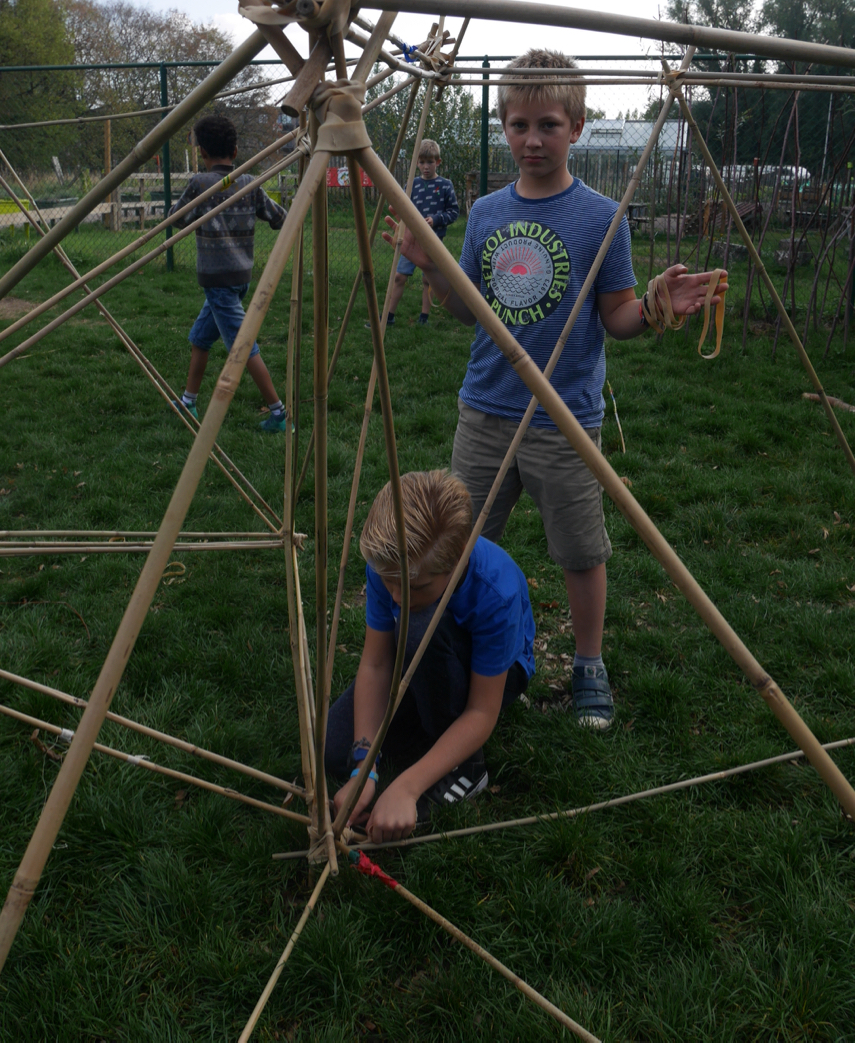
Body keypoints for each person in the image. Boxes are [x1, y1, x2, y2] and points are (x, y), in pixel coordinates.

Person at [385, 49, 727, 730]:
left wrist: (656, 307)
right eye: (519, 125)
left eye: (547, 124)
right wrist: (433, 271)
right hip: (485, 409)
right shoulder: (485, 212)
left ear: (576, 126)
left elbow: (617, 317)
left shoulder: (602, 216)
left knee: (579, 550)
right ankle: (459, 650)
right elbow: (470, 312)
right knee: (460, 544)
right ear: (504, 128)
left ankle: (588, 663)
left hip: (563, 418)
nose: (532, 139)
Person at [326, 469, 534, 844]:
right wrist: (364, 768)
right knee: (331, 746)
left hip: (494, 676)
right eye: (388, 582)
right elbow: (377, 664)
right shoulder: (393, 566)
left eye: (415, 586)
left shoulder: (496, 592)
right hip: (416, 659)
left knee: (421, 624)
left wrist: (407, 786)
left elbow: (481, 711)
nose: (397, 596)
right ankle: (428, 730)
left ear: (458, 561)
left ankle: (467, 766)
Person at [168, 113, 290, 432]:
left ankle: (279, 415)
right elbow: (279, 217)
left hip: (217, 281)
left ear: (202, 152)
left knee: (243, 346)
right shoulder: (248, 183)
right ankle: (189, 401)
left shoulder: (200, 184)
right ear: (235, 151)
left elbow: (176, 219)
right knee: (200, 339)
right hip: (239, 279)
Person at [386, 139, 458, 327]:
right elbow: (402, 206)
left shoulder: (445, 185)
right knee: (399, 277)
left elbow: (454, 212)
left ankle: (423, 317)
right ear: (416, 163)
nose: (426, 167)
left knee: (428, 279)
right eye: (422, 162)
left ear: (438, 162)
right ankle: (388, 316)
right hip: (411, 240)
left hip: (433, 241)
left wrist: (436, 219)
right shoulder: (412, 184)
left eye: (430, 162)